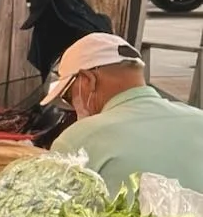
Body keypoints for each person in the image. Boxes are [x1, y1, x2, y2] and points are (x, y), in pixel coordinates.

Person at [46, 31, 203, 193]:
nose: (72, 105)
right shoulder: (199, 120)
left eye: (69, 97)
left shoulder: (78, 140)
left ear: (88, 80)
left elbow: (50, 210)